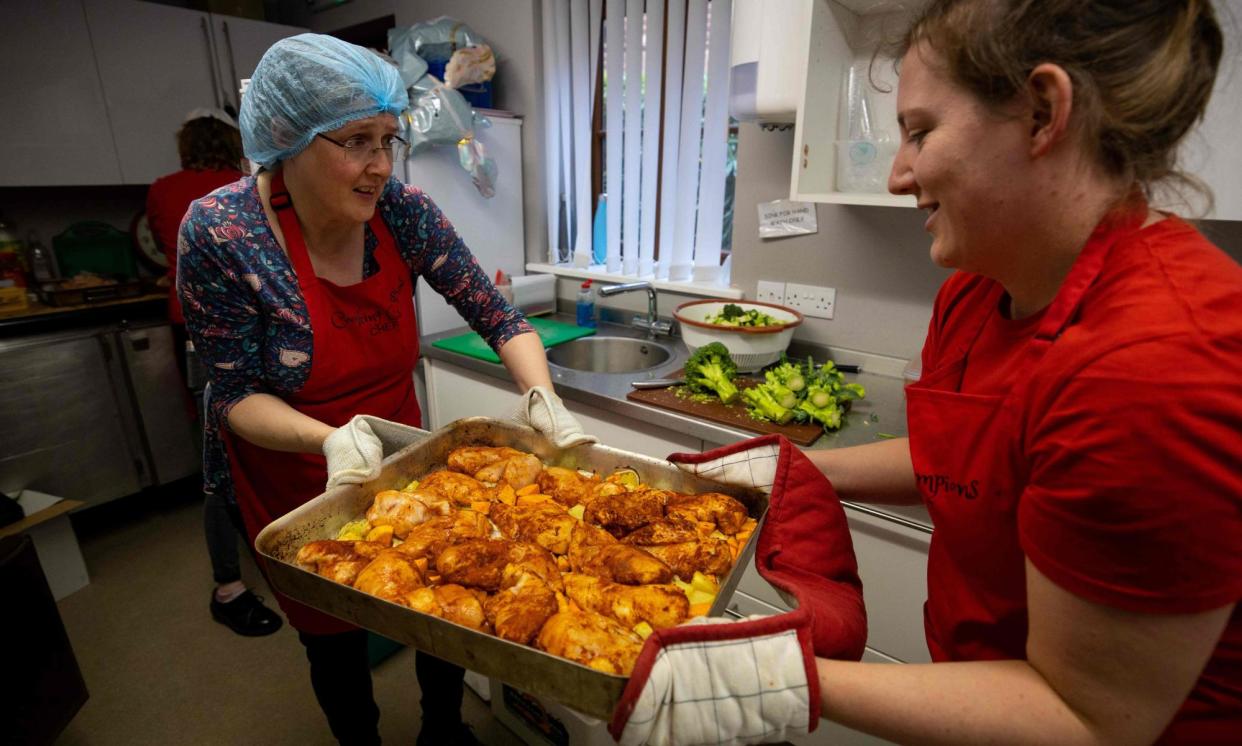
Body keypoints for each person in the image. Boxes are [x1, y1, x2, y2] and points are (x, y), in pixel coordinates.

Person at [611, 1, 1242, 744]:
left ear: (1043, 113)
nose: (898, 173)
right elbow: (968, 459)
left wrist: (777, 682)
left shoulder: (1157, 368)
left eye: (920, 132)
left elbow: (1091, 719)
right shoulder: (980, 288)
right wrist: (797, 472)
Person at [176, 34, 592, 746]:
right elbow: (234, 394)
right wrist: (329, 439)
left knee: (442, 607)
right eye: (358, 142)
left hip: (405, 455)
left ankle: (441, 729)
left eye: (389, 140)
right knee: (335, 640)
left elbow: (495, 314)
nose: (379, 166)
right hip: (299, 472)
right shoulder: (223, 234)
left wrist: (541, 395)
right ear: (289, 141)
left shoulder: (402, 212)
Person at [146, 108, 283, 638]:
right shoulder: (240, 193)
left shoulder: (161, 190)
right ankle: (247, 579)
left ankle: (231, 582)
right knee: (238, 454)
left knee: (216, 462)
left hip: (190, 336)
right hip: (247, 342)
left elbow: (166, 252)